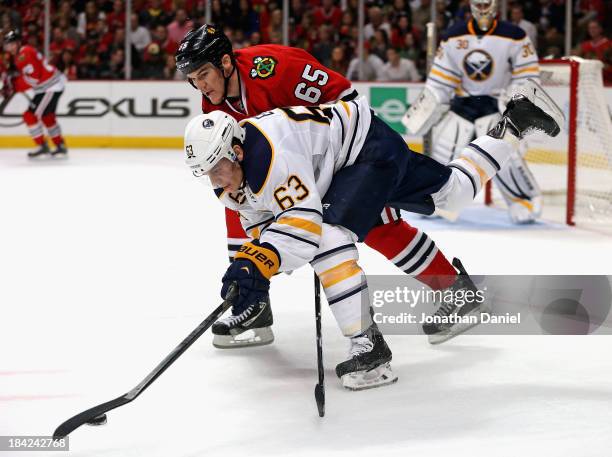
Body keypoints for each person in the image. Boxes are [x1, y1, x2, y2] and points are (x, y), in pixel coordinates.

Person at [183, 85, 562, 388]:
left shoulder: (270, 156)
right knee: (452, 192)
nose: (215, 179)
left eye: (217, 166)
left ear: (236, 149)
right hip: (358, 145)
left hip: (364, 152)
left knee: (329, 240)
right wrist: (259, 266)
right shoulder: (228, 180)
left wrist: (260, 261)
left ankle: (369, 348)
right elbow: (265, 225)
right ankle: (514, 125)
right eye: (206, 172)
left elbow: (302, 226)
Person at [175, 25, 481, 349]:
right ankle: (253, 303)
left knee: (381, 226)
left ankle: (454, 290)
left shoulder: (275, 69)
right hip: (294, 169)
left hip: (344, 153)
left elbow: (343, 97)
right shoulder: (214, 104)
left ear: (225, 63)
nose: (200, 86)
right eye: (192, 79)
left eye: (203, 74)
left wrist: (328, 173)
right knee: (238, 204)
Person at [402, 0, 543, 224]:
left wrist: (516, 98)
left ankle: (523, 200)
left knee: (506, 157)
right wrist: (429, 102)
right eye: (479, 4)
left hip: (496, 107)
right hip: (462, 107)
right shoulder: (453, 36)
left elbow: (527, 76)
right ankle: (435, 200)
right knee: (442, 153)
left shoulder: (515, 36)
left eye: (487, 4)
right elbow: (440, 79)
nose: (483, 9)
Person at [2, 30, 68, 159]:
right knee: (47, 116)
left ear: (18, 43)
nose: (9, 48)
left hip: (50, 87)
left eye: (11, 44)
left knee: (29, 116)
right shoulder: (23, 52)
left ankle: (42, 146)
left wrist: (15, 85)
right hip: (49, 86)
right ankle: (60, 145)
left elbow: (35, 78)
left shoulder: (23, 54)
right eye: (7, 45)